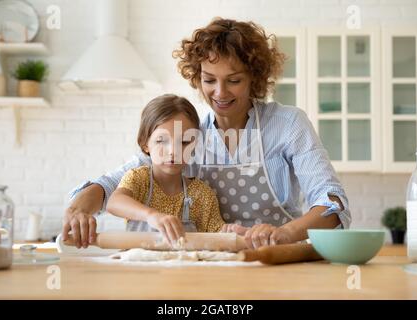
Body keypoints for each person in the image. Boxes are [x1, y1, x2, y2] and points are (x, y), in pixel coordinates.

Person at [63, 18, 351, 249]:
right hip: (213, 261)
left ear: (255, 77)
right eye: (209, 80)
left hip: (275, 258)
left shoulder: (288, 124)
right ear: (196, 77)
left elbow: (332, 203)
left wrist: (285, 233)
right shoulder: (188, 133)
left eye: (234, 80)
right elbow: (112, 184)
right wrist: (78, 210)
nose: (220, 92)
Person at [106, 94, 232, 246]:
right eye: (161, 141)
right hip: (137, 267)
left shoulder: (201, 194)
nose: (173, 151)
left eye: (184, 141)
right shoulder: (139, 179)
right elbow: (114, 203)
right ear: (145, 143)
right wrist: (151, 216)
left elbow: (218, 236)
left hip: (184, 269)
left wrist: (231, 232)